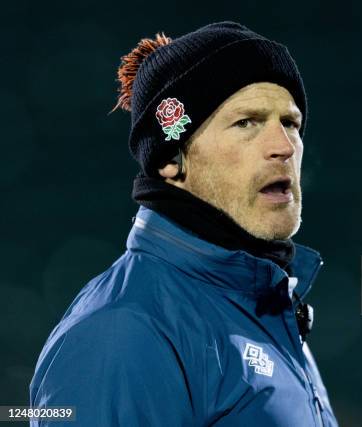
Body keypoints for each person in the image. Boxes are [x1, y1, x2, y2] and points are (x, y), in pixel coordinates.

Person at [29, 21, 338, 427]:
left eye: (290, 123)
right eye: (246, 122)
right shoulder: (121, 333)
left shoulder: (267, 310)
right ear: (171, 159)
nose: (283, 146)